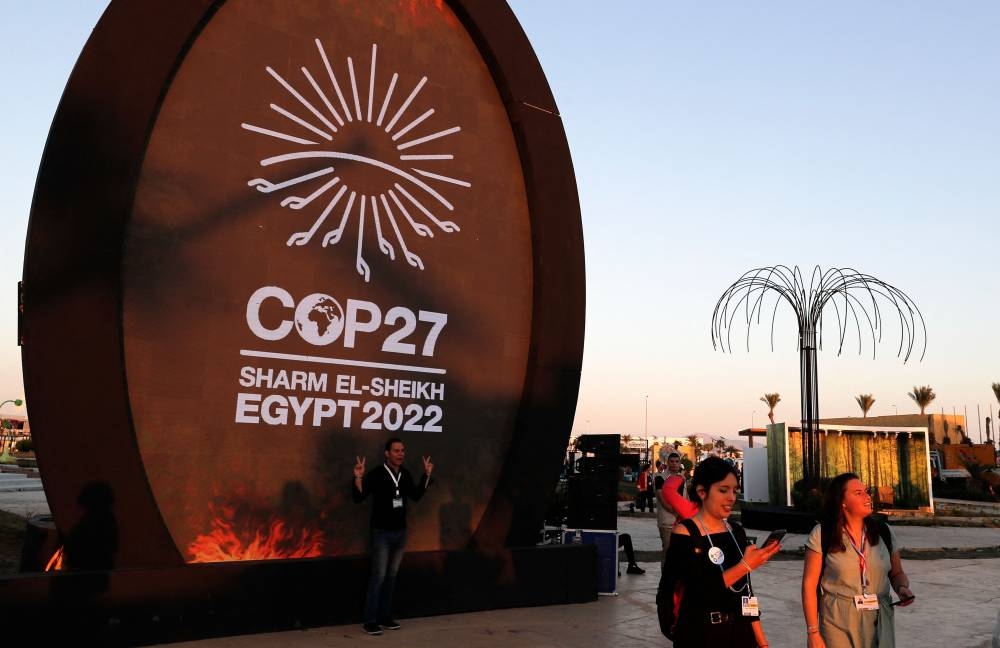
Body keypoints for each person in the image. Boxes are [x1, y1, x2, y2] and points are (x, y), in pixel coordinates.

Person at [659, 457, 780, 647]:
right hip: (700, 634)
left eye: (734, 490)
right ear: (702, 492)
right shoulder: (685, 533)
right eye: (723, 490)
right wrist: (745, 565)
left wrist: (761, 641)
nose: (731, 497)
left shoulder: (736, 532)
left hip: (740, 633)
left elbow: (745, 592)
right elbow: (698, 591)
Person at [801, 473, 915, 648]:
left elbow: (897, 573)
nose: (867, 496)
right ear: (842, 502)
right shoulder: (822, 533)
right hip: (837, 620)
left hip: (879, 617)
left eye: (866, 491)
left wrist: (902, 588)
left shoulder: (883, 531)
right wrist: (813, 632)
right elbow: (809, 585)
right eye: (858, 493)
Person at [352, 437, 433, 636]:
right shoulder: (377, 474)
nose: (401, 454)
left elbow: (414, 495)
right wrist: (358, 477)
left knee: (391, 577)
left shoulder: (404, 474)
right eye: (396, 451)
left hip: (400, 533)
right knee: (378, 576)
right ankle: (370, 621)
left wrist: (426, 476)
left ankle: (385, 617)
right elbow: (359, 498)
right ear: (387, 453)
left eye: (402, 450)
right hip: (381, 533)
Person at [655, 452, 686, 556]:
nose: (674, 464)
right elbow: (662, 499)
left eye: (677, 462)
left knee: (680, 553)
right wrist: (675, 512)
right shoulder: (660, 478)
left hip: (681, 522)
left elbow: (685, 498)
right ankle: (666, 573)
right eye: (672, 461)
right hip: (667, 521)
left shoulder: (682, 479)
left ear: (680, 463)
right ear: (667, 463)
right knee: (668, 551)